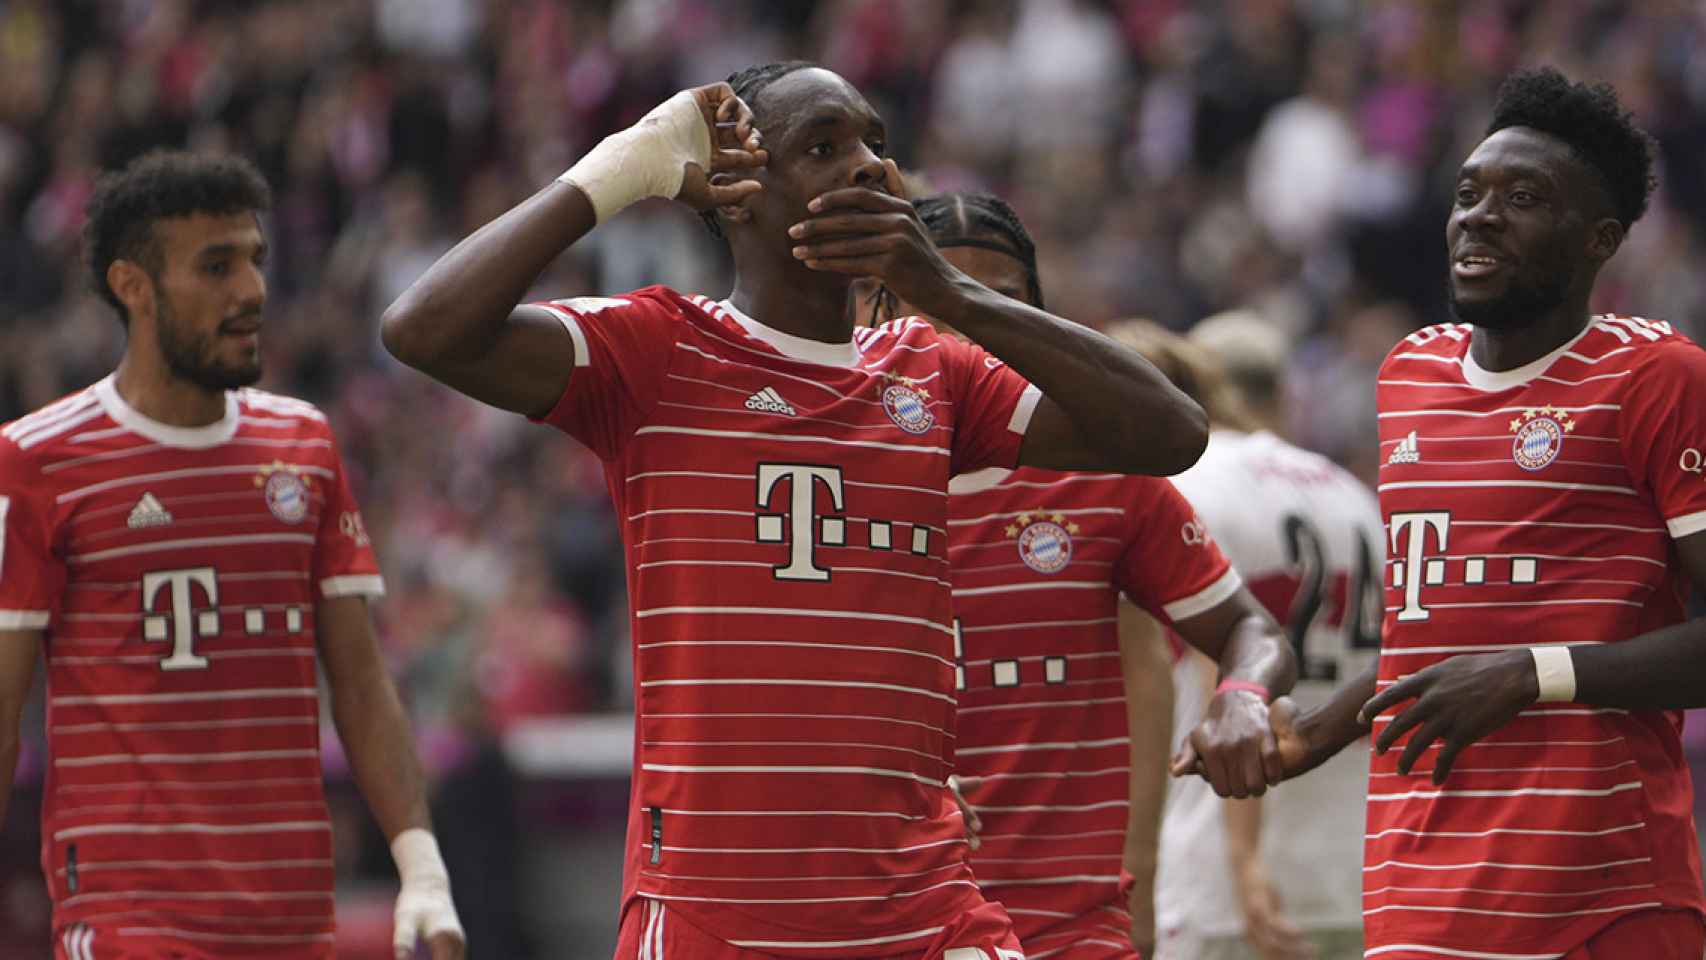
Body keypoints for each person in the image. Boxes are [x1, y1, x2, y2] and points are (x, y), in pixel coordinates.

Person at [380, 60, 1248, 960]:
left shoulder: (932, 372)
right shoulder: (658, 349)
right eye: (824, 147)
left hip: (924, 909)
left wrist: (950, 292)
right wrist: (620, 168)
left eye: (877, 143)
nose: (869, 165)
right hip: (718, 911)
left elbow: (1170, 433)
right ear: (742, 194)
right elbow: (423, 328)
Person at [1237, 67, 1706, 957]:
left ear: (1600, 240)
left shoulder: (1658, 379)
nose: (1481, 216)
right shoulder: (1408, 374)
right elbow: (1435, 641)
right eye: (1468, 193)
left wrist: (1537, 674)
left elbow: (1508, 662)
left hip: (1603, 892)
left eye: (1524, 198)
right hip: (1416, 884)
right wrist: (1322, 729)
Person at [0, 152, 464, 959]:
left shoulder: (304, 444)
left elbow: (358, 679)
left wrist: (420, 864)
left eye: (255, 260)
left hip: (291, 918)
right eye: (216, 266)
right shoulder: (39, 459)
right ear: (132, 287)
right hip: (128, 921)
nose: (251, 291)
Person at [867, 193, 1296, 960]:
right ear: (877, 317)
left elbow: (1244, 628)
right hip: (887, 925)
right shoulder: (829, 484)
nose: (961, 325)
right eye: (934, 299)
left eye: (996, 302)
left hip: (1066, 930)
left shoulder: (1102, 478)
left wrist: (1242, 695)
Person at [1112, 318, 1379, 960]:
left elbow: (1223, 673)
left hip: (1223, 881)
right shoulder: (1351, 493)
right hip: (1355, 862)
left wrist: (1242, 864)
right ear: (1281, 393)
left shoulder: (1181, 483)